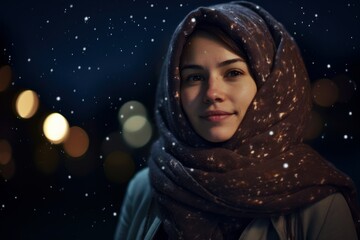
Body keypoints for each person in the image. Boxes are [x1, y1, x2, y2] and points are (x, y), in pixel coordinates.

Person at [114, 1, 360, 239]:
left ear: (269, 86)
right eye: (194, 77)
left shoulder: (317, 203)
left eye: (233, 73)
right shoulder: (146, 189)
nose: (212, 93)